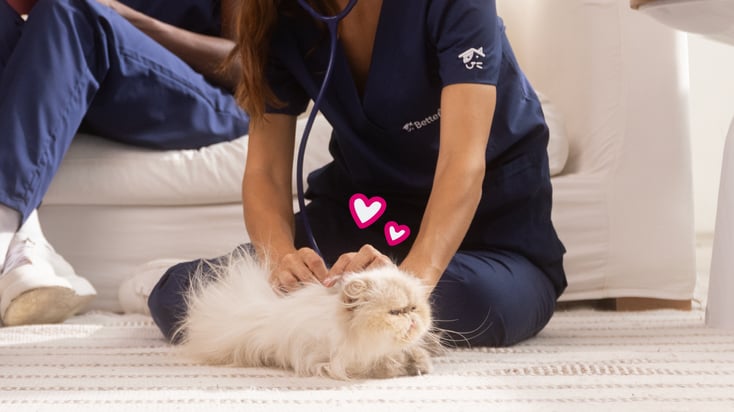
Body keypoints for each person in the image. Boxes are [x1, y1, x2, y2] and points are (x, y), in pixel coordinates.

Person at [145, 0, 567, 347]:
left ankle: (318, 326)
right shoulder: (276, 12)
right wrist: (279, 260)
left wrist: (404, 288)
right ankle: (341, 324)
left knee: (470, 301)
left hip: (489, 242)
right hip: (359, 224)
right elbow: (267, 173)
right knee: (177, 293)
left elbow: (463, 164)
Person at [0, 0, 249, 326]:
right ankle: (26, 244)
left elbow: (247, 65)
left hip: (206, 101)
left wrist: (125, 17)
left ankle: (5, 232)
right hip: (94, 82)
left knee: (71, 9)